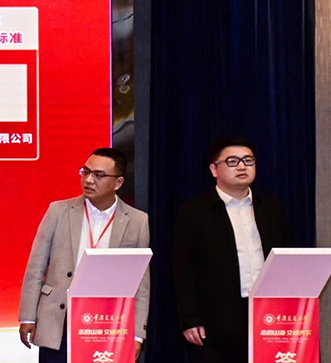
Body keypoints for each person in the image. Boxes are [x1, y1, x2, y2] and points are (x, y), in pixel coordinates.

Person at [17, 148, 150, 362]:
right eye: (85, 172)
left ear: (118, 183)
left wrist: (137, 335)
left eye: (99, 175)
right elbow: (36, 268)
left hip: (108, 323)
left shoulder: (137, 221)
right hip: (60, 318)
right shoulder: (58, 211)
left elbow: (141, 282)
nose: (88, 180)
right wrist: (27, 317)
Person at [173, 137, 295, 363]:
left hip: (267, 313)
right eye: (232, 161)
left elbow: (286, 261)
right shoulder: (194, 212)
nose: (242, 166)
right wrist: (190, 318)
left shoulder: (272, 209)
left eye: (248, 160)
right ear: (214, 169)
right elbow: (183, 270)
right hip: (217, 318)